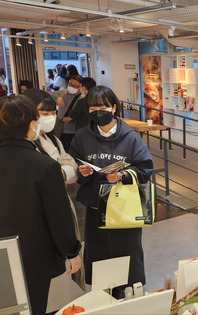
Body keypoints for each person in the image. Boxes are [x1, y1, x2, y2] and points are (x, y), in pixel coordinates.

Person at [0, 95, 82, 314]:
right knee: (34, 305)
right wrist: (72, 251)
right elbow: (58, 215)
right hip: (34, 256)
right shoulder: (43, 166)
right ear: (29, 125)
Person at [69, 85, 154, 297]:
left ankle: (130, 297)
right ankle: (104, 297)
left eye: (103, 107)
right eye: (92, 108)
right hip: (96, 208)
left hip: (123, 208)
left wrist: (123, 175)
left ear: (114, 107)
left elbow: (145, 168)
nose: (98, 112)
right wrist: (83, 172)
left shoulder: (131, 137)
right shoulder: (82, 137)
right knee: (99, 257)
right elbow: (74, 168)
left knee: (128, 255)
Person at [51, 75, 83, 151]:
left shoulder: (82, 97)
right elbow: (48, 94)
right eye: (70, 84)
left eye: (75, 86)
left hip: (73, 130)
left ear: (81, 87)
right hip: (60, 128)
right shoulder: (64, 92)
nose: (71, 87)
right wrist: (58, 98)